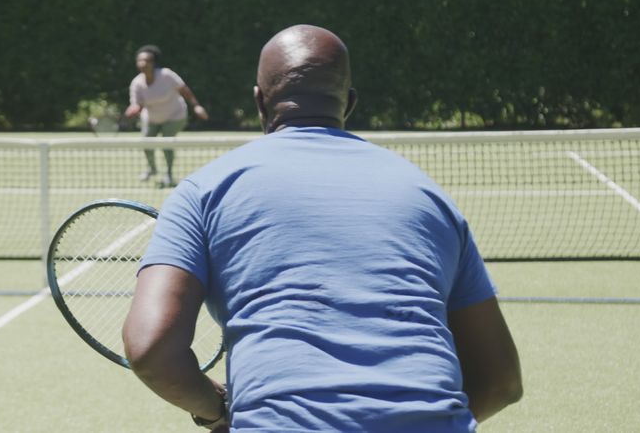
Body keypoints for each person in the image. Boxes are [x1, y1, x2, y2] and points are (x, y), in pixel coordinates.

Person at [122, 25, 522, 432]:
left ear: (260, 101)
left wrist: (216, 410)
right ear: (348, 104)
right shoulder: (428, 195)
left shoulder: (203, 190)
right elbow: (501, 382)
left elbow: (151, 348)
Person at [124, 44, 209, 187]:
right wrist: (133, 109)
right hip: (152, 118)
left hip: (175, 115)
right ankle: (152, 168)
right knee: (146, 143)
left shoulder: (167, 75)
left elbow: (185, 91)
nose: (143, 63)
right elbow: (137, 104)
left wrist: (197, 106)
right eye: (140, 61)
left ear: (154, 62)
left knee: (167, 143)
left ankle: (169, 174)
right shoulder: (136, 83)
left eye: (147, 60)